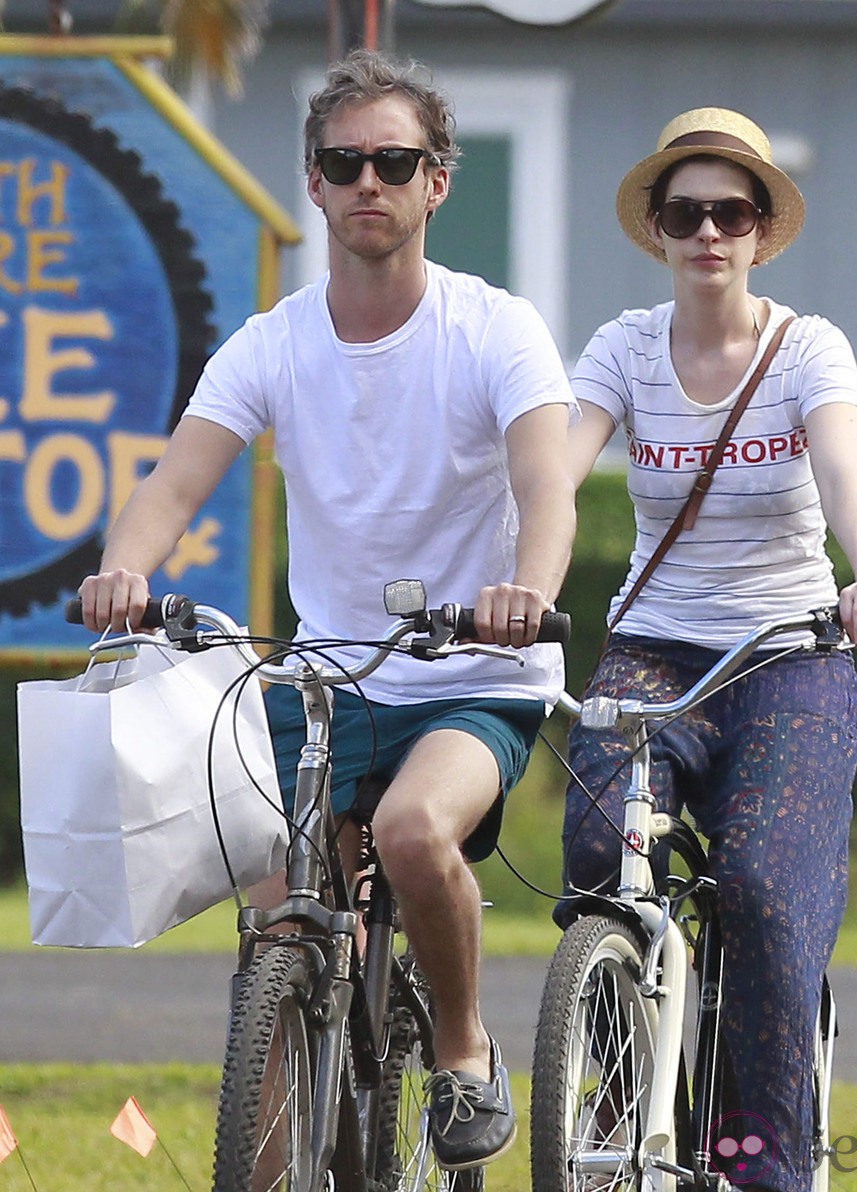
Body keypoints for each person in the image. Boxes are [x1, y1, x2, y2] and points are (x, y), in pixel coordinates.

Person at [78, 49, 577, 1172]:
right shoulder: (272, 341)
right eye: (343, 161)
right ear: (312, 181)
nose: (368, 181)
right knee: (277, 908)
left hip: (470, 675)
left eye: (393, 161)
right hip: (333, 675)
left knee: (408, 834)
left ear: (434, 181)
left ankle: (460, 1050)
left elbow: (548, 487)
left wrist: (526, 595)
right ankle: (277, 1141)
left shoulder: (493, 329)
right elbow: (169, 487)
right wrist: (125, 574)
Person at [559, 108, 857, 1192]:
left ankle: (758, 1163)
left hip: (787, 654)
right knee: (591, 847)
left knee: (758, 887)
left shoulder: (808, 347)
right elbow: (555, 475)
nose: (708, 231)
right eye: (684, 212)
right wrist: (514, 570)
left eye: (731, 212)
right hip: (652, 648)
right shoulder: (620, 346)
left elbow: (842, 476)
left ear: (760, 232)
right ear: (656, 230)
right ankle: (611, 1105)